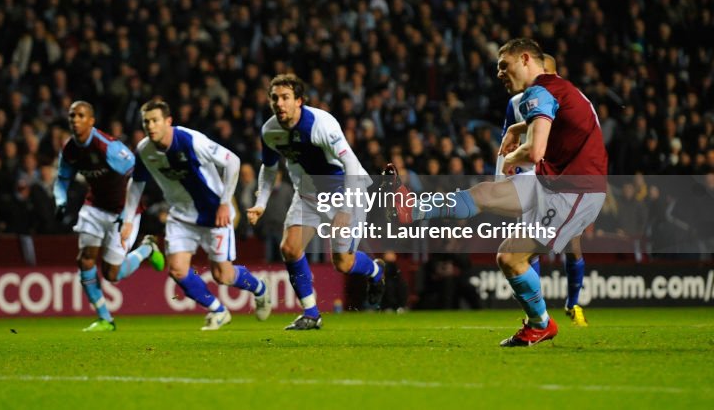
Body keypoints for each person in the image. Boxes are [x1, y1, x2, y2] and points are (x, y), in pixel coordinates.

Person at [386, 38, 608, 346]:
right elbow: (557, 130)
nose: (500, 74)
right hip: (552, 181)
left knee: (510, 257)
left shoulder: (539, 92)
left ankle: (541, 322)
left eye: (504, 66)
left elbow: (535, 152)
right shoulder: (562, 91)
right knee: (484, 194)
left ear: (527, 59)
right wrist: (517, 131)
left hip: (577, 191)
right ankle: (415, 209)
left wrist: (512, 157)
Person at [246, 74, 385, 330]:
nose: (279, 103)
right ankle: (311, 313)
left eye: (286, 97)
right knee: (289, 248)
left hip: (346, 191)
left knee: (343, 263)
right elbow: (268, 167)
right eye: (274, 98)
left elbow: (351, 163)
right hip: (308, 193)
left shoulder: (321, 124)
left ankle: (376, 271)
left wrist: (345, 208)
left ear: (299, 101)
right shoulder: (270, 131)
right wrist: (261, 203)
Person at [123, 99, 272, 330]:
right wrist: (128, 220)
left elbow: (232, 161)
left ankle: (260, 289)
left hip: (214, 214)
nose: (150, 126)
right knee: (177, 270)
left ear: (168, 121)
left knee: (223, 275)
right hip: (181, 216)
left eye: (155, 121)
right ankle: (218, 310)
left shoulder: (190, 141)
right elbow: (136, 184)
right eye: (146, 122)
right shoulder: (144, 150)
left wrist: (224, 203)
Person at [496, 53, 588, 327]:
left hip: (562, 179)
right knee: (525, 243)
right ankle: (537, 312)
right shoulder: (516, 103)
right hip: (530, 175)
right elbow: (506, 142)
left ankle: (573, 303)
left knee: (573, 243)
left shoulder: (566, 99)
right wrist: (503, 178)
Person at [55, 100, 165, 332]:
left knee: (112, 273)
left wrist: (126, 215)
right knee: (84, 259)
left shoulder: (108, 147)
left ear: (91, 121)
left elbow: (137, 176)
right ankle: (105, 318)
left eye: (80, 115)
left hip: (123, 210)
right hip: (94, 206)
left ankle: (147, 248)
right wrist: (60, 199)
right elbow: (63, 178)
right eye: (72, 116)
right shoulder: (70, 149)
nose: (75, 120)